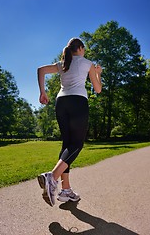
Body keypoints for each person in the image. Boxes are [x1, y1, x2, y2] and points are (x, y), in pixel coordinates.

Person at [37, 38, 102, 207]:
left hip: (61, 102)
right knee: (77, 145)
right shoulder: (87, 63)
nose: (84, 51)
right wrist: (98, 73)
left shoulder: (63, 63)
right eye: (84, 48)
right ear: (80, 48)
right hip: (78, 102)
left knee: (67, 145)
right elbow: (98, 89)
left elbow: (41, 70)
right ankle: (52, 177)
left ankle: (65, 190)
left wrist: (42, 92)